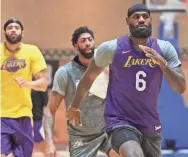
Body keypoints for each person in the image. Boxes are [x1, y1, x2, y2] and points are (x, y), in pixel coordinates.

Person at [67, 4, 186, 157]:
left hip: (149, 122)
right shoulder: (111, 48)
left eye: (145, 16)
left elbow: (180, 87)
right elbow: (88, 78)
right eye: (136, 17)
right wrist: (74, 106)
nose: (141, 20)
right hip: (120, 121)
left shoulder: (164, 48)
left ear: (150, 20)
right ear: (127, 21)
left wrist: (163, 64)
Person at [43, 26, 116, 157]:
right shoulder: (65, 72)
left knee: (128, 152)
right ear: (76, 46)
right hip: (81, 138)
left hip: (108, 131)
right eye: (83, 40)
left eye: (90, 39)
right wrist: (49, 143)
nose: (87, 43)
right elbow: (50, 110)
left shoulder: (107, 65)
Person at [1, 19, 48, 157]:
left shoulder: (32, 51)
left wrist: (27, 83)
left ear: (22, 32)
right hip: (1, 115)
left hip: (23, 115)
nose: (13, 30)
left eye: (17, 27)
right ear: (4, 32)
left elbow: (43, 84)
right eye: (10, 27)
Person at [31, 85, 48, 149]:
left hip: (37, 117)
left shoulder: (41, 85)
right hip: (27, 117)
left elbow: (46, 103)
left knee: (39, 140)